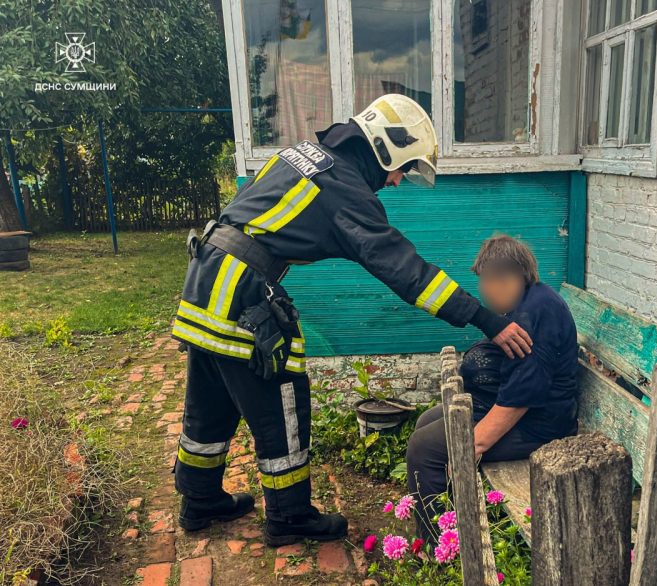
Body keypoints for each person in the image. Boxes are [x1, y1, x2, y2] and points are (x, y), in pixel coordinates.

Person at [170, 94, 533, 547]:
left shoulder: (302, 155)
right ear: (385, 148)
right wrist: (485, 319)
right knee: (281, 401)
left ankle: (198, 500)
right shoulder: (344, 188)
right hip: (241, 295)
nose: (398, 181)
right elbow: (406, 272)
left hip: (205, 279)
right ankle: (289, 518)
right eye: (403, 168)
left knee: (211, 396)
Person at [405, 234, 579, 543]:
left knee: (425, 448)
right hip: (523, 412)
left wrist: (475, 443)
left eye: (486, 280)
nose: (482, 291)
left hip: (538, 425)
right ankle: (451, 518)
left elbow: (523, 395)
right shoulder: (530, 301)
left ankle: (440, 547)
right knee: (426, 423)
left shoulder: (534, 314)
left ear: (509, 278)